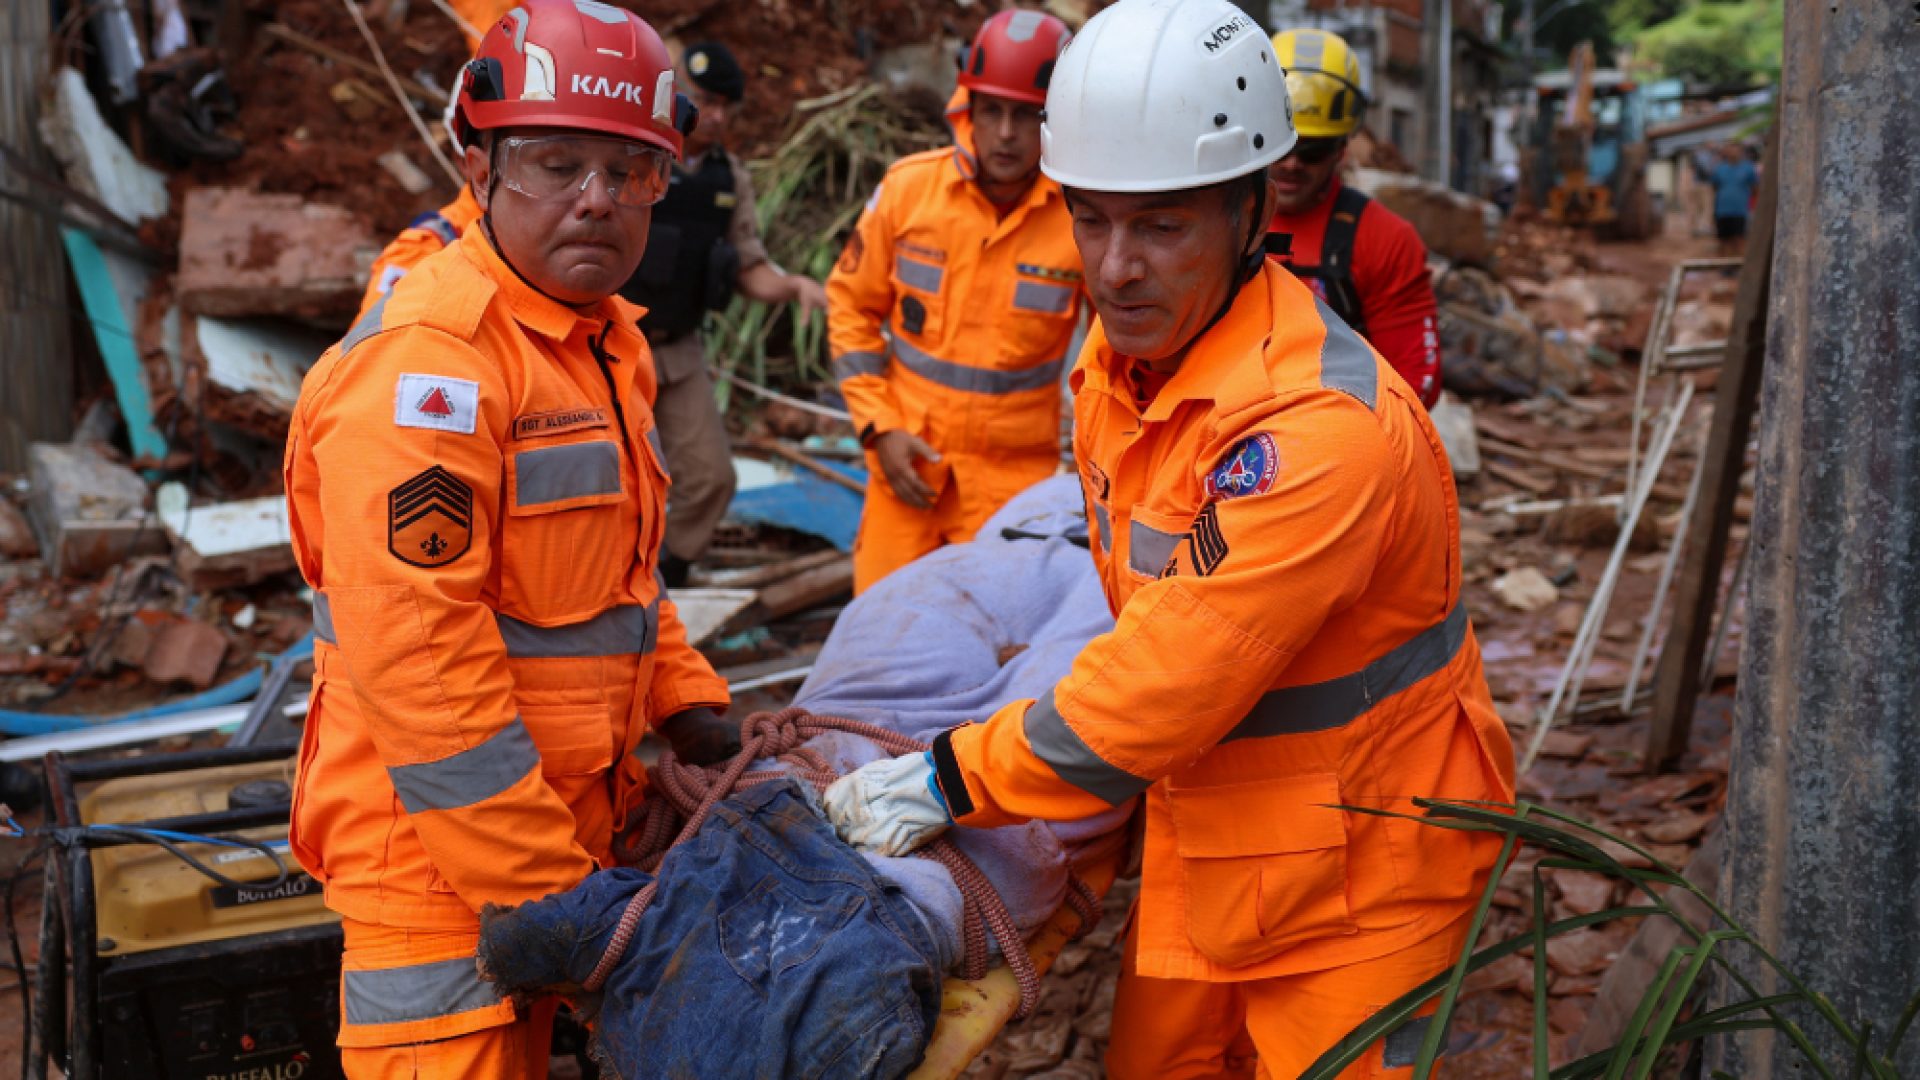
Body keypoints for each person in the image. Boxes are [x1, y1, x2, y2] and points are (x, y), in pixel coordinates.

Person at [822, 1, 1517, 1076]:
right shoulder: (1124, 374)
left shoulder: (1316, 431)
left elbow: (1165, 683)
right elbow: (1143, 621)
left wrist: (946, 779)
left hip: (1364, 866)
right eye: (1089, 220)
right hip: (1218, 834)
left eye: (1159, 226)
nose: (1113, 267)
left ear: (1251, 216)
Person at [284, 3, 738, 1075]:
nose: (596, 199)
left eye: (630, 171)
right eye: (553, 162)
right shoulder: (431, 371)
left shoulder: (602, 342)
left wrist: (691, 701)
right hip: (443, 882)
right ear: (477, 166)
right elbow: (421, 664)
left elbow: (609, 584)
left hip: (558, 851)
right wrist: (545, 891)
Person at [827, 9, 1083, 595]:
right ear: (966, 106)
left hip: (1017, 489)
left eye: (1028, 114)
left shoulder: (1082, 220)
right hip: (907, 469)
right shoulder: (907, 191)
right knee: (880, 644)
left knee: (996, 655)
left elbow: (1114, 354)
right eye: (991, 110)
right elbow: (850, 308)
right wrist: (879, 429)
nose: (1006, 134)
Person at [619, 40, 828, 586]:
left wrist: (794, 287)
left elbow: (748, 268)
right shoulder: (630, 155)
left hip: (680, 350)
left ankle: (670, 574)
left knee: (711, 477)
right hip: (613, 345)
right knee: (612, 478)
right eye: (703, 100)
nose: (712, 116)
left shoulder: (728, 179)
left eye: (723, 106)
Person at [1264, 28, 1442, 408]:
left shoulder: (1384, 240)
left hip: (1339, 431)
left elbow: (1416, 383)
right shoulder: (1206, 225)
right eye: (1283, 146)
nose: (1293, 164)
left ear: (1344, 148)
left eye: (1314, 150)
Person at [1708, 142, 1758, 255]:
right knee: (1723, 240)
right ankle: (1724, 267)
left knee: (1739, 240)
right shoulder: (1720, 169)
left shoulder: (1748, 168)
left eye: (1736, 150)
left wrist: (1752, 208)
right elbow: (1715, 188)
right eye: (1730, 150)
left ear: (1741, 152)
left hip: (1740, 211)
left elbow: (1755, 189)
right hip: (1722, 211)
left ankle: (1737, 267)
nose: (1733, 152)